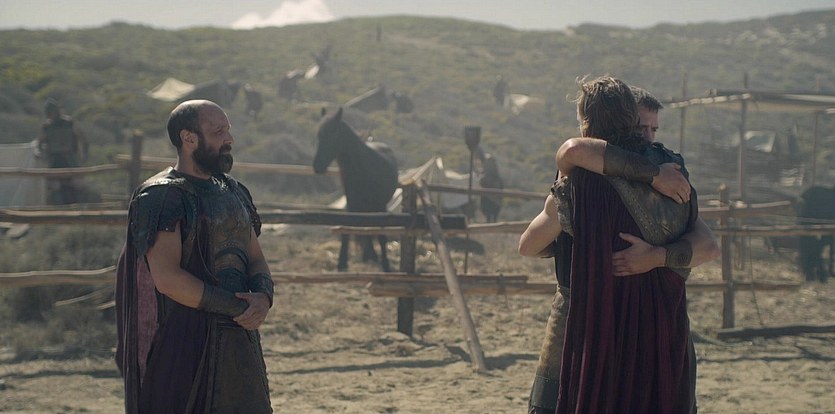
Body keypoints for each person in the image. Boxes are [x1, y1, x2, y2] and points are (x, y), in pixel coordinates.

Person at [521, 78, 719, 414]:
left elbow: (528, 246)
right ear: (630, 120)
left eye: (654, 129)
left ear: (586, 122)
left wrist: (652, 256)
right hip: (660, 326)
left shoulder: (576, 185)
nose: (649, 136)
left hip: (588, 324)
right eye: (644, 128)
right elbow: (708, 246)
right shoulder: (672, 174)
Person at [115, 100, 274, 413]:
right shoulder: (163, 195)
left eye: (228, 130)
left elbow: (255, 257)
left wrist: (264, 297)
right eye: (218, 132)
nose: (229, 139)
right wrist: (239, 307)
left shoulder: (234, 191)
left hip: (240, 342)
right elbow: (168, 278)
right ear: (188, 138)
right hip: (185, 343)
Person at [36, 97, 88, 204]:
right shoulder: (47, 127)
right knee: (55, 189)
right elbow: (39, 143)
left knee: (76, 186)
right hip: (54, 161)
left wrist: (84, 155)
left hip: (70, 160)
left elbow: (83, 139)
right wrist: (40, 153)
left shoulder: (69, 123)